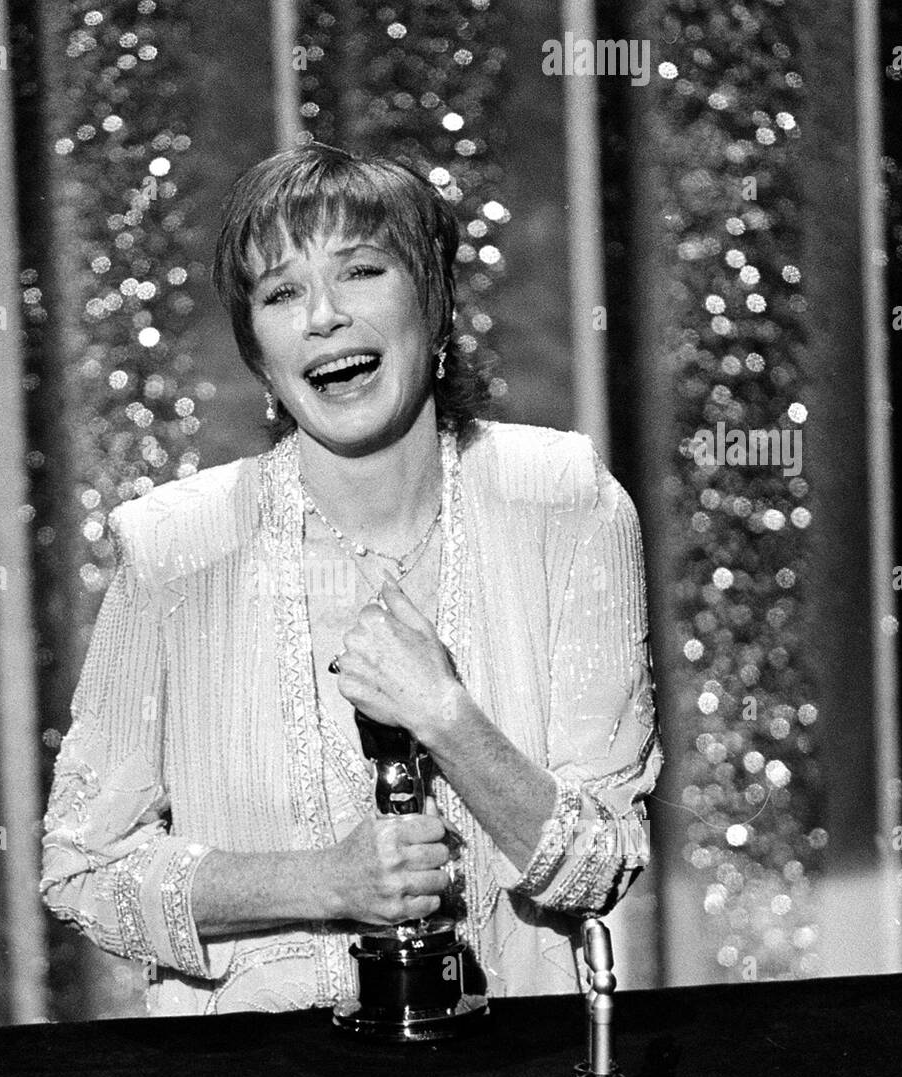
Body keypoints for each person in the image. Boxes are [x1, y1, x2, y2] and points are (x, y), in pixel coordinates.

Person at [40, 142, 663, 1014]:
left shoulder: (564, 502)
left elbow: (599, 865)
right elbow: (85, 870)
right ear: (260, 353)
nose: (323, 316)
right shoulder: (177, 549)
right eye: (282, 292)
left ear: (435, 306)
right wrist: (322, 884)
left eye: (361, 271)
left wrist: (448, 717)